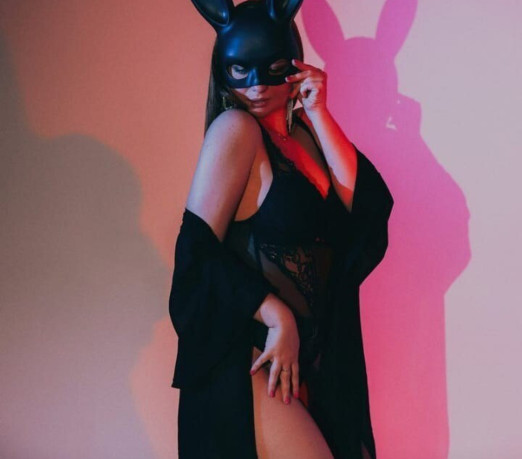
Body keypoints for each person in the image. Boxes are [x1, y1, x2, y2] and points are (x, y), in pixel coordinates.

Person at [168, 1, 394, 458]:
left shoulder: (305, 136)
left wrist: (320, 113)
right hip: (253, 357)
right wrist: (277, 316)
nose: (255, 86)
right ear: (223, 70)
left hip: (315, 364)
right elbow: (196, 255)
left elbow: (364, 211)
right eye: (239, 70)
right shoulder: (235, 130)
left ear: (293, 63)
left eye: (272, 70)